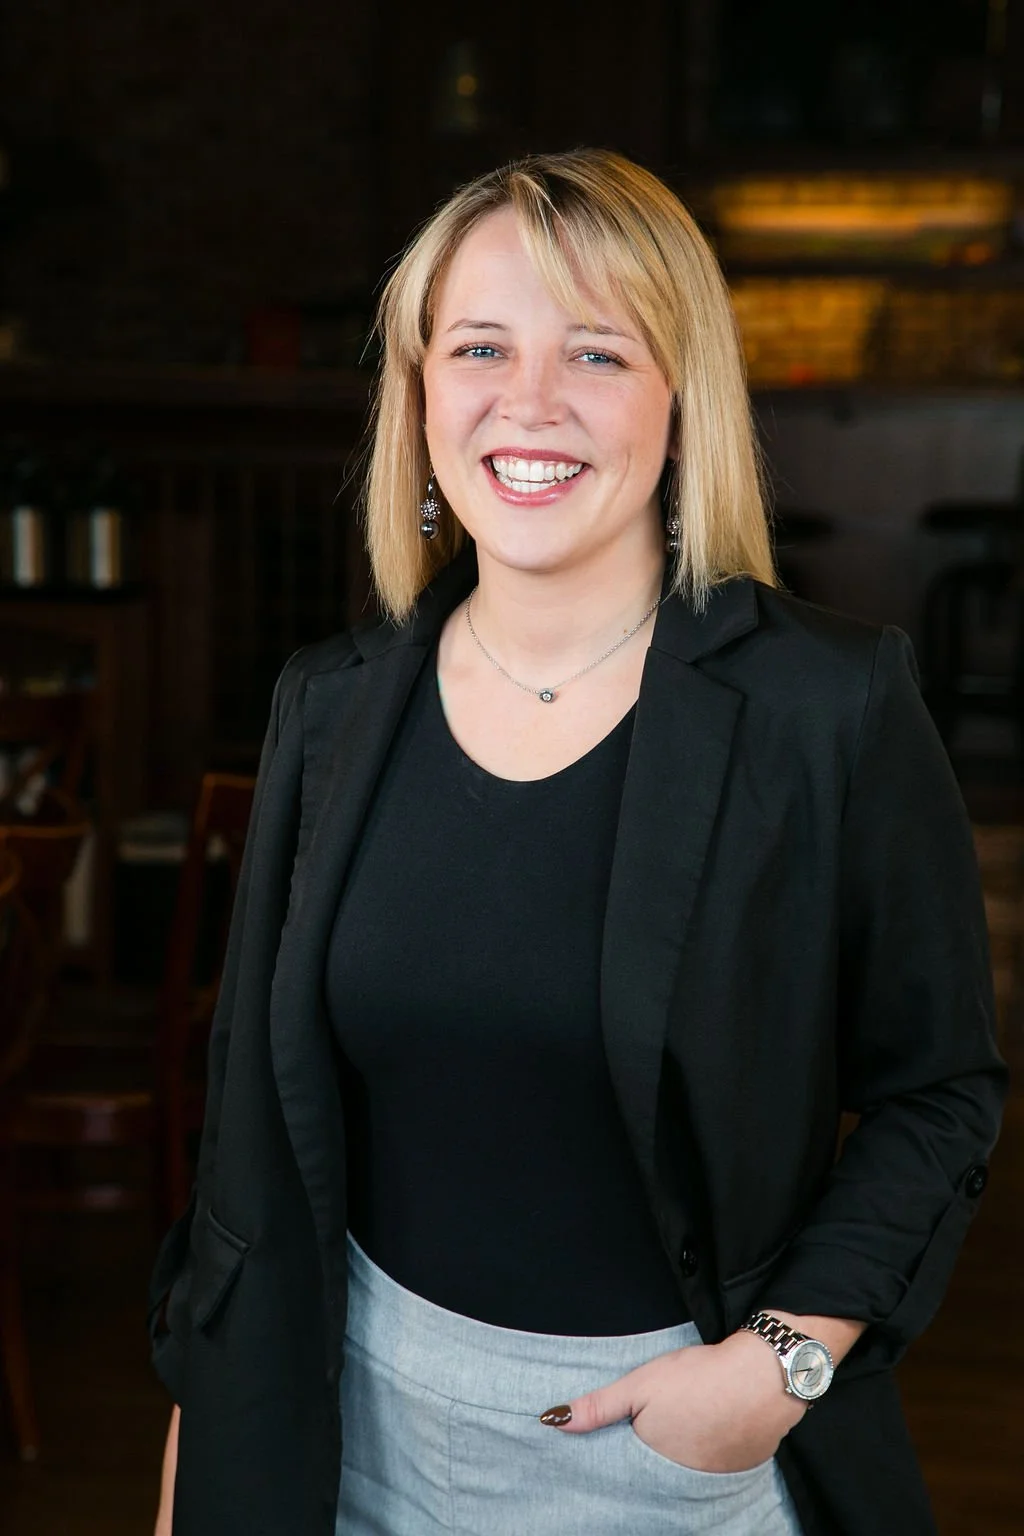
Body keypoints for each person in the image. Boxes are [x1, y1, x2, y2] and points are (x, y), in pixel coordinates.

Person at [149, 149, 1006, 1536]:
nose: (527, 402)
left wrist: (782, 1365)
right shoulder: (331, 704)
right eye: (480, 346)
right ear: (422, 391)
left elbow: (940, 1090)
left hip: (673, 1455)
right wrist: (206, 1427)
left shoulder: (825, 707)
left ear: (682, 400)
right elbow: (252, 1119)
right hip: (341, 1435)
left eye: (596, 353)